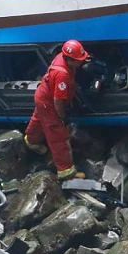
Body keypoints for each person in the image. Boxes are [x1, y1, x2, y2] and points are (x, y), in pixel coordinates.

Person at [24, 40, 89, 180]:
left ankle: (31, 141)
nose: (81, 63)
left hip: (42, 97)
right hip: (50, 104)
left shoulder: (62, 58)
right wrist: (62, 117)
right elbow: (57, 101)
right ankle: (66, 171)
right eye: (79, 60)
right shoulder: (62, 75)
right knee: (58, 136)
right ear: (70, 60)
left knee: (39, 120)